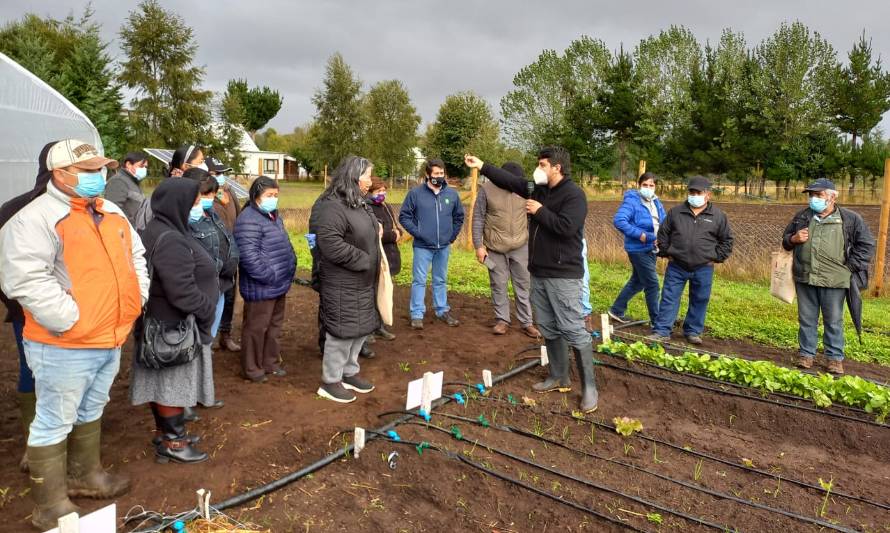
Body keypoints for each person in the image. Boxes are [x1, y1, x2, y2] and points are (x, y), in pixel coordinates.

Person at [0, 139, 149, 530]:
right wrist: (71, 319)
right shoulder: (34, 219)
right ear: (59, 173)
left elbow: (137, 257)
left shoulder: (111, 211)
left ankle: (86, 476)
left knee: (90, 408)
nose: (97, 176)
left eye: (100, 168)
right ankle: (50, 506)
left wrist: (135, 300)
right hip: (64, 343)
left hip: (111, 336)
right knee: (53, 418)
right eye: (86, 171)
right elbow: (25, 280)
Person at [465, 148, 598, 413]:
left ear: (557, 168)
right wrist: (482, 165)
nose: (537, 169)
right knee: (548, 326)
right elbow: (510, 181)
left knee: (572, 328)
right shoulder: (538, 188)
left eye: (542, 164)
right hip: (538, 270)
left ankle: (590, 388)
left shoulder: (574, 195)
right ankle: (559, 377)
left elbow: (566, 228)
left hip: (563, 275)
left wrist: (539, 211)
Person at [130, 178, 218, 464]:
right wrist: (207, 308)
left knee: (161, 383)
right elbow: (182, 292)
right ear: (177, 205)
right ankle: (174, 442)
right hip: (171, 327)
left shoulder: (156, 229)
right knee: (170, 385)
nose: (198, 207)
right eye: (193, 202)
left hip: (156, 323)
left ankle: (165, 434)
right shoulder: (172, 241)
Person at [0, 141, 56, 474]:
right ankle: (34, 445)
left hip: (71, 311)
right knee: (33, 371)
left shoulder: (85, 207)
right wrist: (19, 304)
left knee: (58, 374)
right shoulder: (16, 211)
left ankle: (57, 439)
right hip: (29, 314)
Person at [782, 178, 875, 375]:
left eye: (819, 195)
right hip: (805, 277)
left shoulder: (850, 219)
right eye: (811, 195)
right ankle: (806, 355)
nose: (813, 199)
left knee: (833, 320)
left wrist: (849, 266)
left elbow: (866, 245)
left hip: (835, 281)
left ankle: (834, 359)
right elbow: (786, 241)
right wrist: (793, 239)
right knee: (807, 319)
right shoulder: (802, 217)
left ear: (832, 197)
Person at [309, 156, 382, 403]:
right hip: (343, 281)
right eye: (367, 177)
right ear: (353, 177)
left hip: (362, 281)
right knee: (341, 332)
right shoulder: (333, 206)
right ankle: (330, 381)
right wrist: (362, 259)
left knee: (359, 329)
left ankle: (349, 372)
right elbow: (329, 242)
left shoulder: (358, 203)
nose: (370, 182)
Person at [649, 176, 734, 345]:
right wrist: (668, 252)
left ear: (708, 195)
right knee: (669, 297)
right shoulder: (676, 212)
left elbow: (727, 241)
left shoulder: (718, 216)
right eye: (692, 192)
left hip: (703, 267)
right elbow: (663, 235)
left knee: (700, 299)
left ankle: (693, 331)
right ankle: (662, 330)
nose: (694, 195)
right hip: (677, 265)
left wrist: (715, 257)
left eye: (698, 192)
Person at [184, 168, 239, 404]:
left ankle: (203, 394)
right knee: (193, 344)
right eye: (202, 196)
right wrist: (216, 267)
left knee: (206, 341)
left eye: (210, 196)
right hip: (200, 292)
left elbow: (229, 241)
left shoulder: (212, 216)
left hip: (219, 287)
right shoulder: (184, 222)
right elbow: (195, 259)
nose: (207, 201)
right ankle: (186, 397)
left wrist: (229, 264)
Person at [234, 176, 297, 382]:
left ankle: (270, 362)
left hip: (279, 284)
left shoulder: (273, 216)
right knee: (256, 329)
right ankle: (252, 369)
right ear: (256, 196)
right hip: (261, 286)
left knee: (274, 327)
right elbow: (249, 257)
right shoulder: (248, 219)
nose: (273, 199)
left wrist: (291, 264)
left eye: (276, 195)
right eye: (269, 195)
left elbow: (283, 243)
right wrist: (269, 275)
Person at [472, 162, 541, 338]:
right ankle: (502, 320)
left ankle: (527, 322)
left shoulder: (527, 190)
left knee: (523, 285)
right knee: (498, 284)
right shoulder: (486, 190)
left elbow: (533, 218)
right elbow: (478, 217)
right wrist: (479, 246)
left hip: (520, 246)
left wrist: (533, 245)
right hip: (495, 248)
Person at [399, 159, 465, 329]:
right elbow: (404, 216)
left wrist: (452, 236)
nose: (439, 177)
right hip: (422, 246)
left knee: (440, 279)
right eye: (435, 174)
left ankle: (442, 310)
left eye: (441, 174)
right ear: (427, 175)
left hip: (443, 246)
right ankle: (416, 314)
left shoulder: (451, 195)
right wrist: (418, 233)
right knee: (419, 280)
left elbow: (459, 217)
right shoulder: (415, 194)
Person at [609, 172, 666, 324]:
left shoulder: (656, 202)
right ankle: (658, 321)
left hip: (652, 248)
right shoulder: (632, 201)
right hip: (638, 249)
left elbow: (665, 222)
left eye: (651, 185)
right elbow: (619, 221)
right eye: (645, 185)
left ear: (655, 187)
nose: (648, 188)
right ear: (639, 185)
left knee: (638, 281)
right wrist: (640, 234)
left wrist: (662, 238)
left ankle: (616, 310)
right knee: (652, 284)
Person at [206, 157, 242, 352]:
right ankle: (207, 339)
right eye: (217, 173)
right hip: (211, 255)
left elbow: (239, 215)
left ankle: (225, 334)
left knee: (229, 296)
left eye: (222, 173)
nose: (221, 177)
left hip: (230, 253)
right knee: (211, 296)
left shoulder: (229, 191)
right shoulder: (203, 196)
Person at [367, 176, 400, 341]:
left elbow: (394, 225)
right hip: (376, 256)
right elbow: (374, 234)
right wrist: (393, 235)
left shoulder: (386, 206)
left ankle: (379, 326)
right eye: (379, 191)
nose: (382, 194)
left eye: (384, 191)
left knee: (384, 292)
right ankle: (370, 328)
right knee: (373, 293)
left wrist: (397, 232)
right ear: (370, 192)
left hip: (390, 255)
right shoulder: (367, 208)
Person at [104, 151, 151, 230]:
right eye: (141, 166)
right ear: (128, 164)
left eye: (146, 167)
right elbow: (113, 213)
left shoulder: (132, 181)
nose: (144, 169)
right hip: (125, 233)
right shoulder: (117, 182)